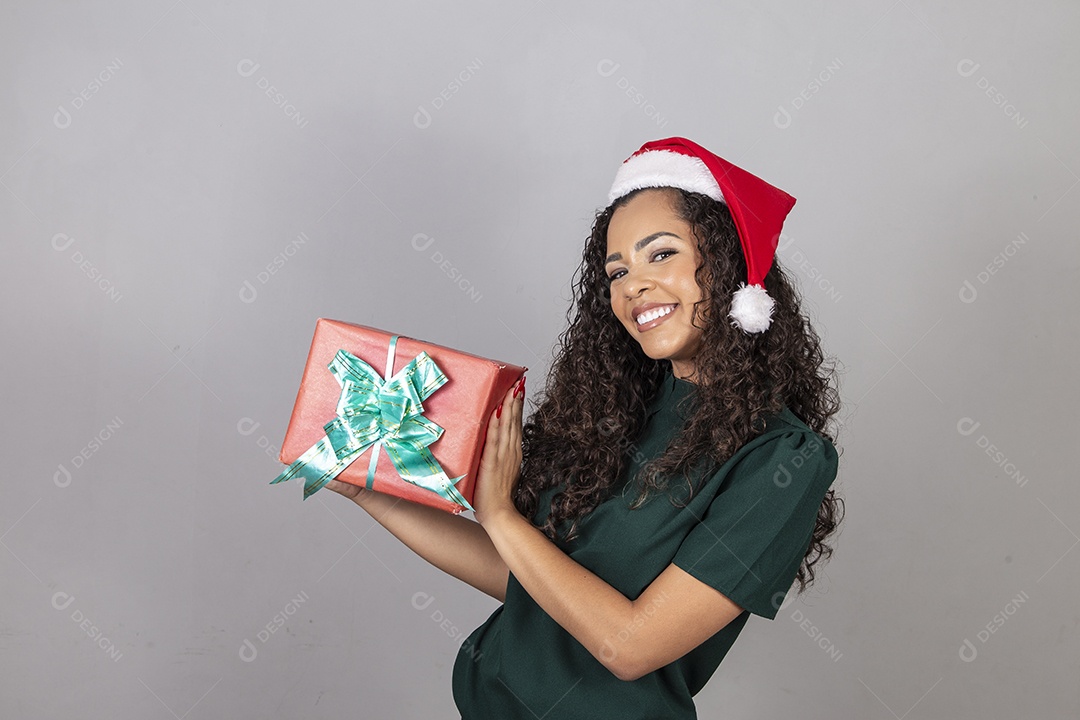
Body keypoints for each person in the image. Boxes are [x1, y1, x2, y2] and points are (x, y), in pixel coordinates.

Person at [326, 136, 844, 719]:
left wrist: (498, 513)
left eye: (662, 254)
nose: (632, 286)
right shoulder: (613, 415)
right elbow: (528, 584)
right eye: (616, 271)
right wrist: (370, 493)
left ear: (729, 266)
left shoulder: (784, 458)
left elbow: (631, 646)